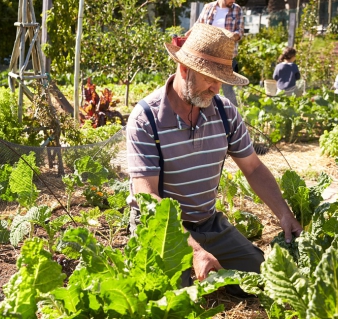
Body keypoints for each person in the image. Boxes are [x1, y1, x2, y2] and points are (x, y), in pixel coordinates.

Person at [126, 23, 302, 295]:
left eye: (222, 79)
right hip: (161, 232)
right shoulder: (145, 118)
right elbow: (147, 198)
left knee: (260, 280)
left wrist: (284, 213)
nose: (217, 88)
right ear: (184, 69)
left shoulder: (224, 112)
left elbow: (253, 168)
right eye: (210, 78)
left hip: (208, 223)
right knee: (175, 299)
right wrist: (195, 251)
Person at [191, 0, 244, 107]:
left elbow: (240, 32)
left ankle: (233, 113)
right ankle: (207, 110)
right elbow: (198, 25)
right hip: (206, 55)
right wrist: (187, 35)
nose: (233, 1)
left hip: (226, 56)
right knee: (205, 85)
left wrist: (229, 36)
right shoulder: (208, 7)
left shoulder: (237, 9)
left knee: (227, 87)